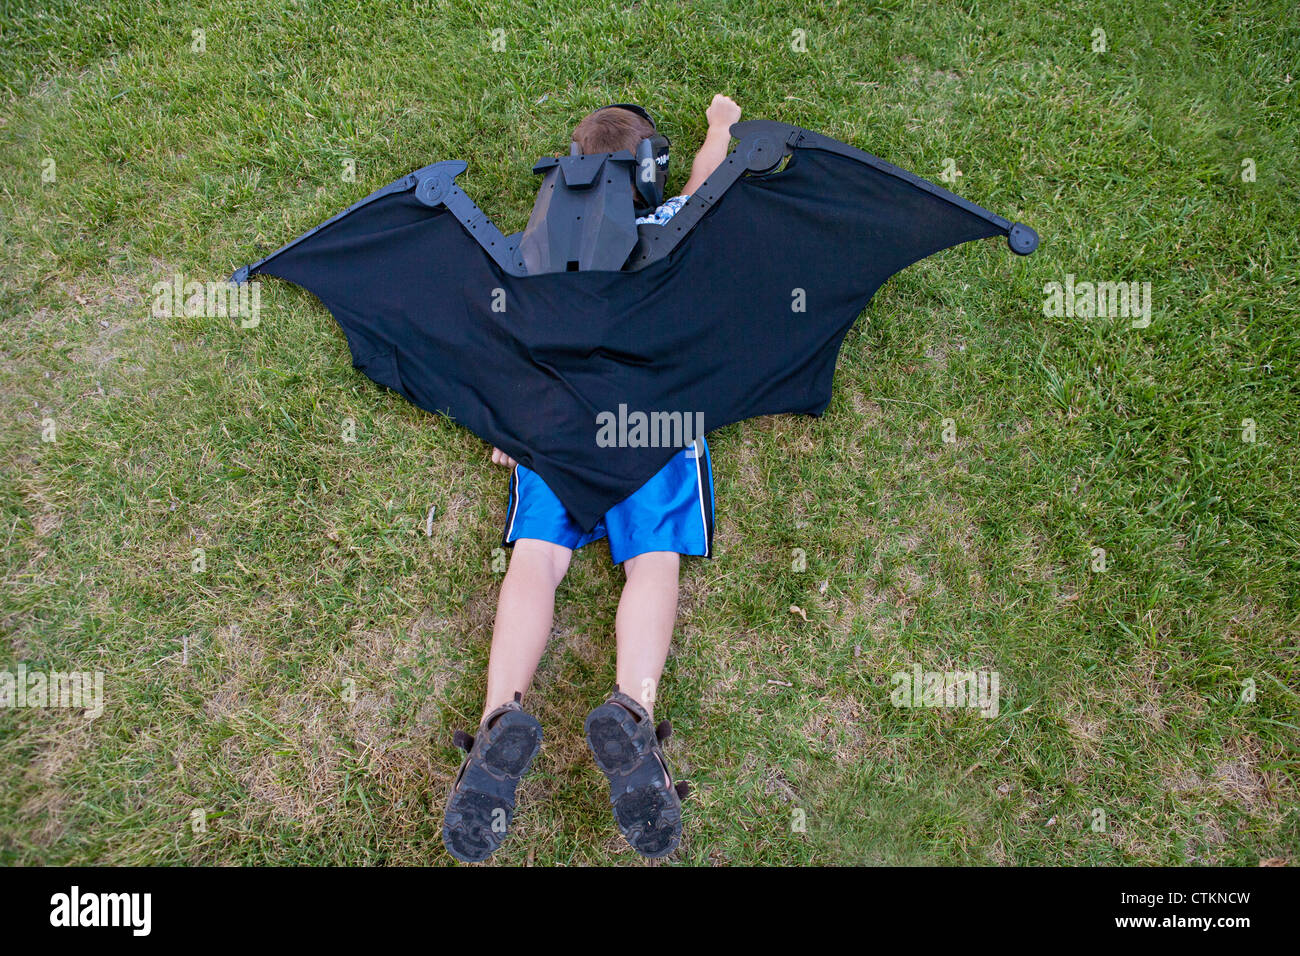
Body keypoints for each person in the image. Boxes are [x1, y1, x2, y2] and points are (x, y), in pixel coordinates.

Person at [442, 95, 743, 863]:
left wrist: (510, 420)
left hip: (556, 419)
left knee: (537, 558)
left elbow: (496, 336)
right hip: (654, 425)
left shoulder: (530, 253)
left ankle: (497, 721)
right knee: (652, 560)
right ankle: (633, 716)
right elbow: (713, 183)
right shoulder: (670, 216)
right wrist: (719, 129)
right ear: (647, 174)